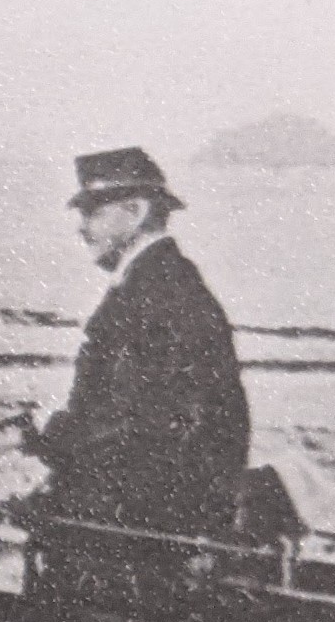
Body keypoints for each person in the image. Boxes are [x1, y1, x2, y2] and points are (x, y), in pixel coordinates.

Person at [25, 146, 250, 538]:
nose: (82, 228)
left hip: (148, 517)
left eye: (92, 213)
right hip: (155, 504)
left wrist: (58, 434)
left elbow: (147, 423)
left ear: (135, 211)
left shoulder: (157, 292)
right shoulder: (161, 282)